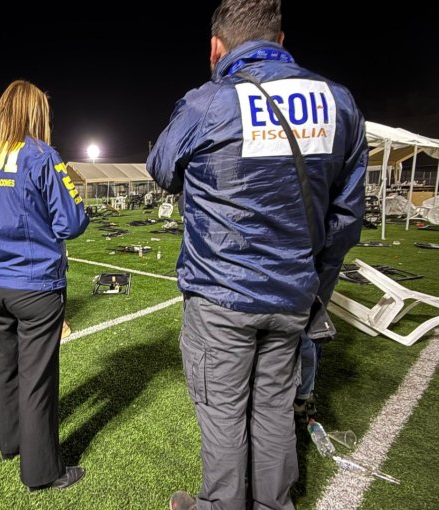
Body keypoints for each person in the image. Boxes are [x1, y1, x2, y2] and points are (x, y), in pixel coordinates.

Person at [147, 2, 367, 509]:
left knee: (222, 411)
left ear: (215, 48)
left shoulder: (209, 101)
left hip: (221, 294)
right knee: (272, 409)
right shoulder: (338, 102)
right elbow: (346, 218)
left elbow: (161, 168)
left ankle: (221, 505)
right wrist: (315, 288)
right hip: (293, 293)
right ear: (281, 40)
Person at [0, 80, 90, 491]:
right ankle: (43, 472)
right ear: (35, 113)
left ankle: (10, 442)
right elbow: (71, 222)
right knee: (37, 380)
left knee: (4, 369)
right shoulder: (40, 155)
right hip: (36, 286)